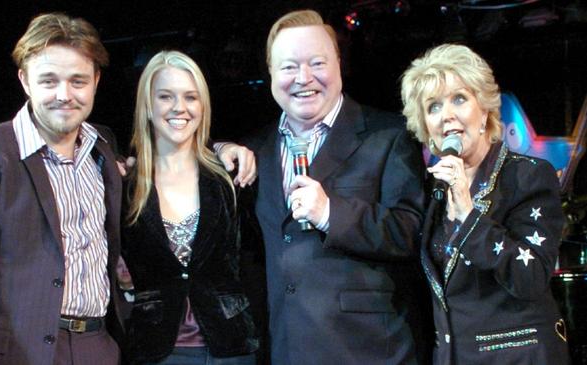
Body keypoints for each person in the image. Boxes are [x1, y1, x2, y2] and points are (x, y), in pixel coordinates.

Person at [221, 9, 428, 365]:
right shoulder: (256, 150)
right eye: (288, 67)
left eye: (317, 63)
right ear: (271, 74)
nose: (304, 78)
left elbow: (411, 231)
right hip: (288, 348)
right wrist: (218, 148)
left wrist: (331, 214)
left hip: (370, 350)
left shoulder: (388, 135)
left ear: (338, 65)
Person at [0, 13, 124, 365]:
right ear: (25, 80)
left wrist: (221, 149)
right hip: (20, 353)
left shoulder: (102, 147)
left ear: (96, 81)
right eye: (49, 80)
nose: (64, 95)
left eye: (78, 81)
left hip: (98, 346)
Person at [401, 43, 570, 364]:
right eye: (433, 106)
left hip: (519, 357)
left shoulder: (527, 176)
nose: (446, 114)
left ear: (485, 111)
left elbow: (531, 277)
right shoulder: (433, 188)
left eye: (459, 99)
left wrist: (468, 215)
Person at [121, 50, 259, 365]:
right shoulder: (126, 185)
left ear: (203, 106)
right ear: (147, 105)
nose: (179, 108)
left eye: (190, 97)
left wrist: (224, 146)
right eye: (166, 97)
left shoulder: (229, 178)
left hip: (230, 349)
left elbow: (255, 262)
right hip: (155, 350)